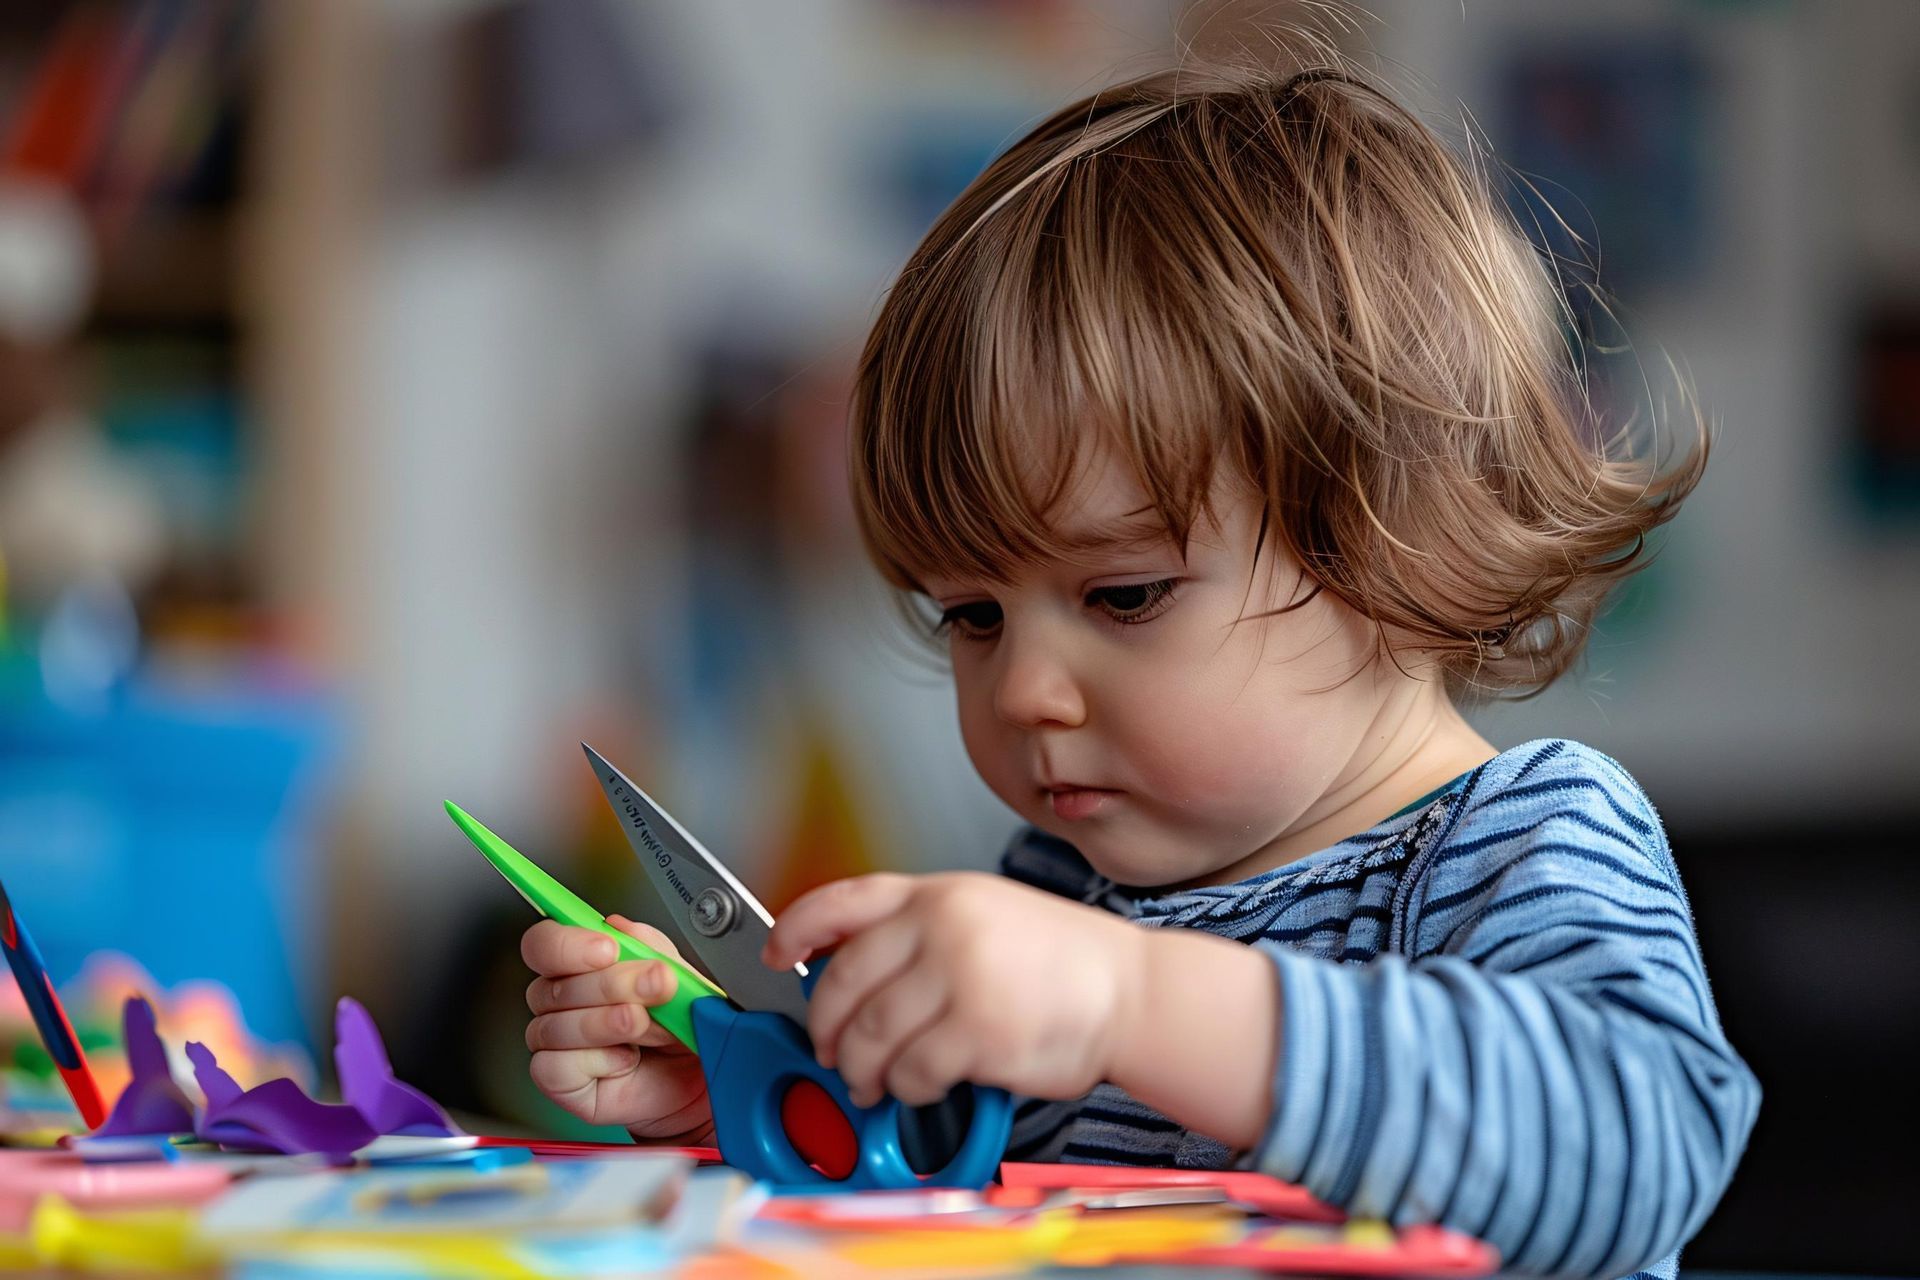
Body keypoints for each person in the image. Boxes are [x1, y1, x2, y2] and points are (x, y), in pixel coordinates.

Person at [519, 47, 1758, 1279]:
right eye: (972, 615)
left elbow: (1643, 1147)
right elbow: (946, 1198)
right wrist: (735, 1103)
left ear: (1392, 538)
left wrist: (1127, 999)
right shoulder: (1061, 892)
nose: (1021, 691)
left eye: (1123, 594)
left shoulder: (1519, 839)